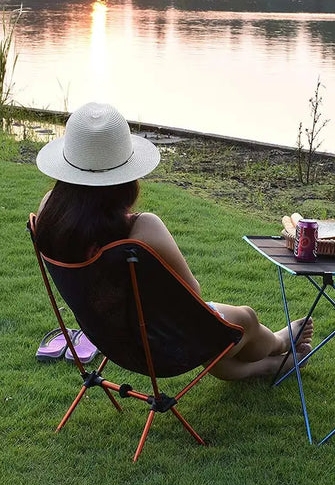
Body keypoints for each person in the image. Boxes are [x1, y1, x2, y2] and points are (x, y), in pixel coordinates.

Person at [35, 102, 313, 380]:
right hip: (167, 350)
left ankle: (266, 367)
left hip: (111, 341)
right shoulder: (143, 228)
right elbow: (193, 290)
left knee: (216, 333)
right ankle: (279, 342)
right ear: (126, 174)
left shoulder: (50, 213)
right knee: (245, 319)